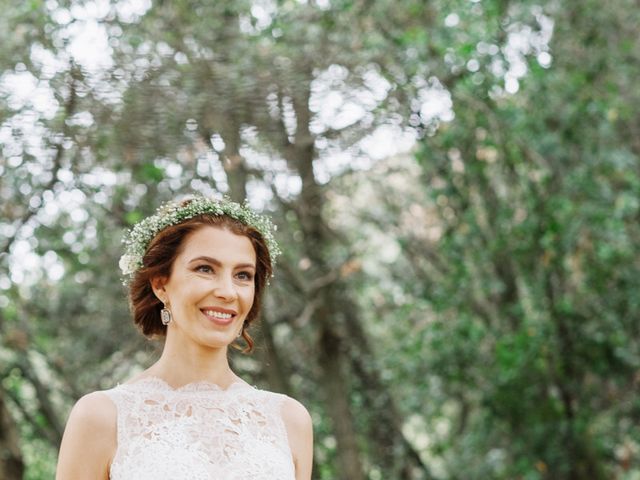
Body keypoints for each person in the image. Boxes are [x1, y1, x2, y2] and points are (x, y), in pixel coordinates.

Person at [56, 196, 313, 480]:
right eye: (205, 269)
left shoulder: (289, 420)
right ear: (160, 284)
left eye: (243, 275)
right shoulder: (101, 417)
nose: (228, 292)